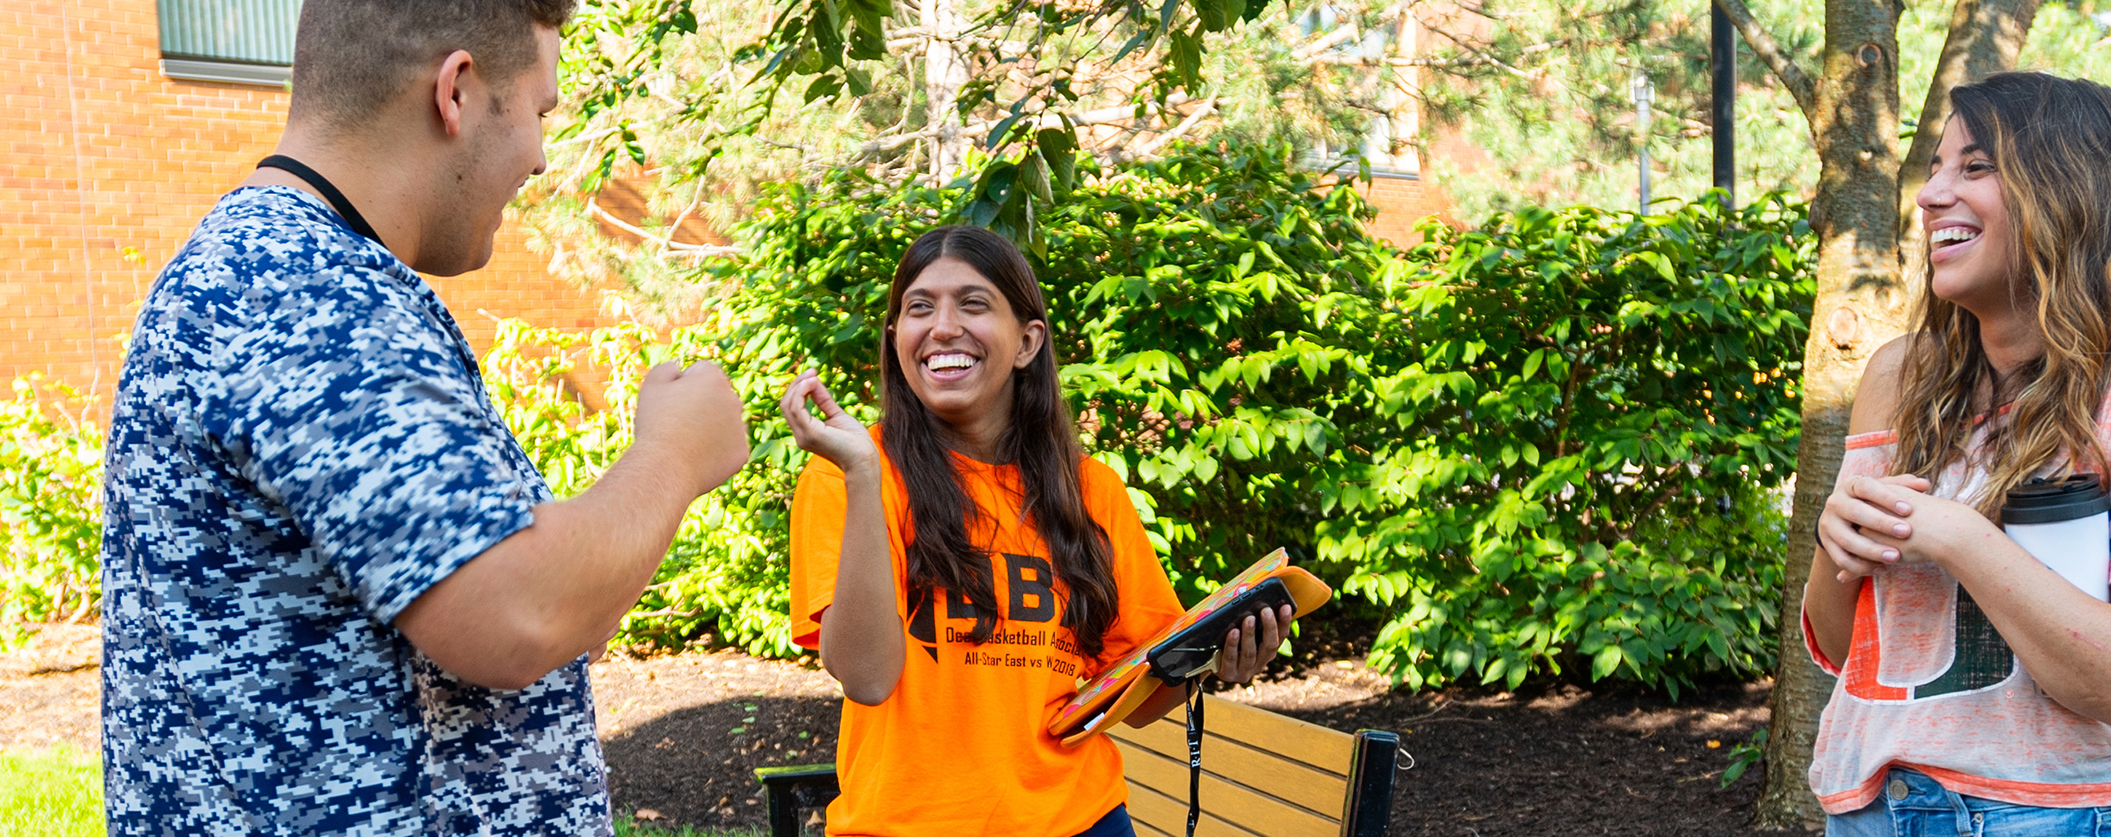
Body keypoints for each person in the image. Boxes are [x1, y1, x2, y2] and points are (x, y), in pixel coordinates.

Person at [100, 1, 751, 834]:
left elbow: (513, 614)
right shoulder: (307, 293)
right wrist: (675, 454)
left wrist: (579, 572)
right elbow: (518, 614)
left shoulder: (288, 274)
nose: (541, 157)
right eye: (540, 110)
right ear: (457, 92)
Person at [777, 226, 1295, 837]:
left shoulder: (1090, 490)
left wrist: (1217, 660)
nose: (942, 327)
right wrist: (862, 474)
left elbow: (1137, 693)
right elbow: (865, 678)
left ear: (1027, 342)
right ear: (896, 341)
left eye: (973, 304)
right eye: (919, 308)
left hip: (1083, 820)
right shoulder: (850, 474)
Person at [1808, 72, 2111, 837]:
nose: (1930, 195)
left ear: (2066, 190)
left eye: (1976, 167)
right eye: (1936, 168)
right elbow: (1841, 647)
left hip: (2055, 814)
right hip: (1867, 809)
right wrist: (1838, 547)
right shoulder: (1898, 377)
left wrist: (1959, 536)